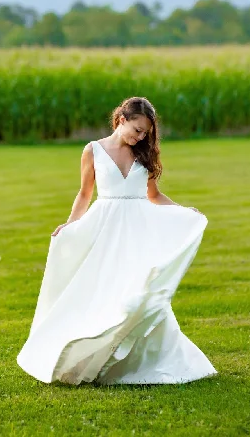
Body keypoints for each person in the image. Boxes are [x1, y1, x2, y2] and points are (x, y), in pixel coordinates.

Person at [16, 96, 218, 385]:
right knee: (103, 292)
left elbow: (154, 195)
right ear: (121, 120)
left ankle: (144, 361)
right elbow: (85, 193)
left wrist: (184, 212)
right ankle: (94, 359)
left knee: (139, 292)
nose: (140, 137)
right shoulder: (93, 150)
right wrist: (71, 225)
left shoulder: (143, 154)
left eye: (145, 133)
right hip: (105, 231)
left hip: (137, 232)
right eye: (136, 129)